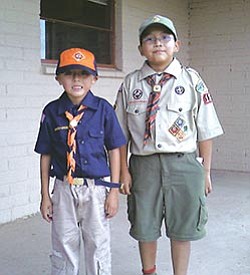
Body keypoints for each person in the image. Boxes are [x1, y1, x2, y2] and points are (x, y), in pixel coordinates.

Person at [115, 15, 224, 275]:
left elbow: (205, 129)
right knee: (145, 226)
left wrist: (205, 171)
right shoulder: (130, 83)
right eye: (150, 39)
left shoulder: (191, 81)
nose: (158, 43)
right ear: (141, 48)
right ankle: (149, 271)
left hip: (183, 164)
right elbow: (120, 134)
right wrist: (123, 172)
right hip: (144, 165)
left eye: (165, 38)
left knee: (183, 227)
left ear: (177, 45)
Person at [34, 47, 126, 275]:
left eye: (84, 74)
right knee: (64, 245)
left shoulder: (103, 109)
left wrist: (113, 191)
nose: (77, 79)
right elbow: (45, 154)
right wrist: (46, 195)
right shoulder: (52, 111)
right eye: (69, 73)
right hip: (63, 189)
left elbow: (115, 149)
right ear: (58, 79)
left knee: (97, 245)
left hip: (96, 189)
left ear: (94, 79)